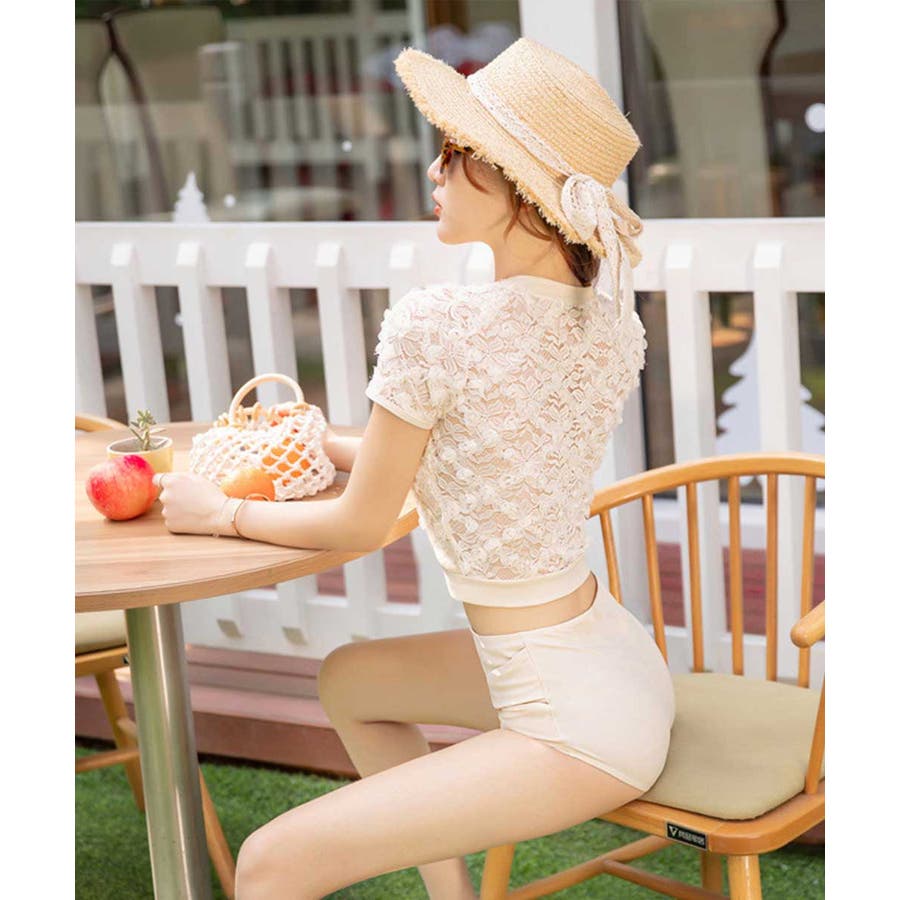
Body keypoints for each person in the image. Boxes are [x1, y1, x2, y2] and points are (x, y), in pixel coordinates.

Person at [155, 36, 675, 900]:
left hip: (571, 720)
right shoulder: (608, 326)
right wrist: (325, 443)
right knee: (349, 680)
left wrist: (221, 515)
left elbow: (360, 523)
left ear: (515, 185)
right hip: (616, 665)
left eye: (453, 153)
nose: (434, 172)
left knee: (271, 861)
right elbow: (482, 456)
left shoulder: (439, 325)